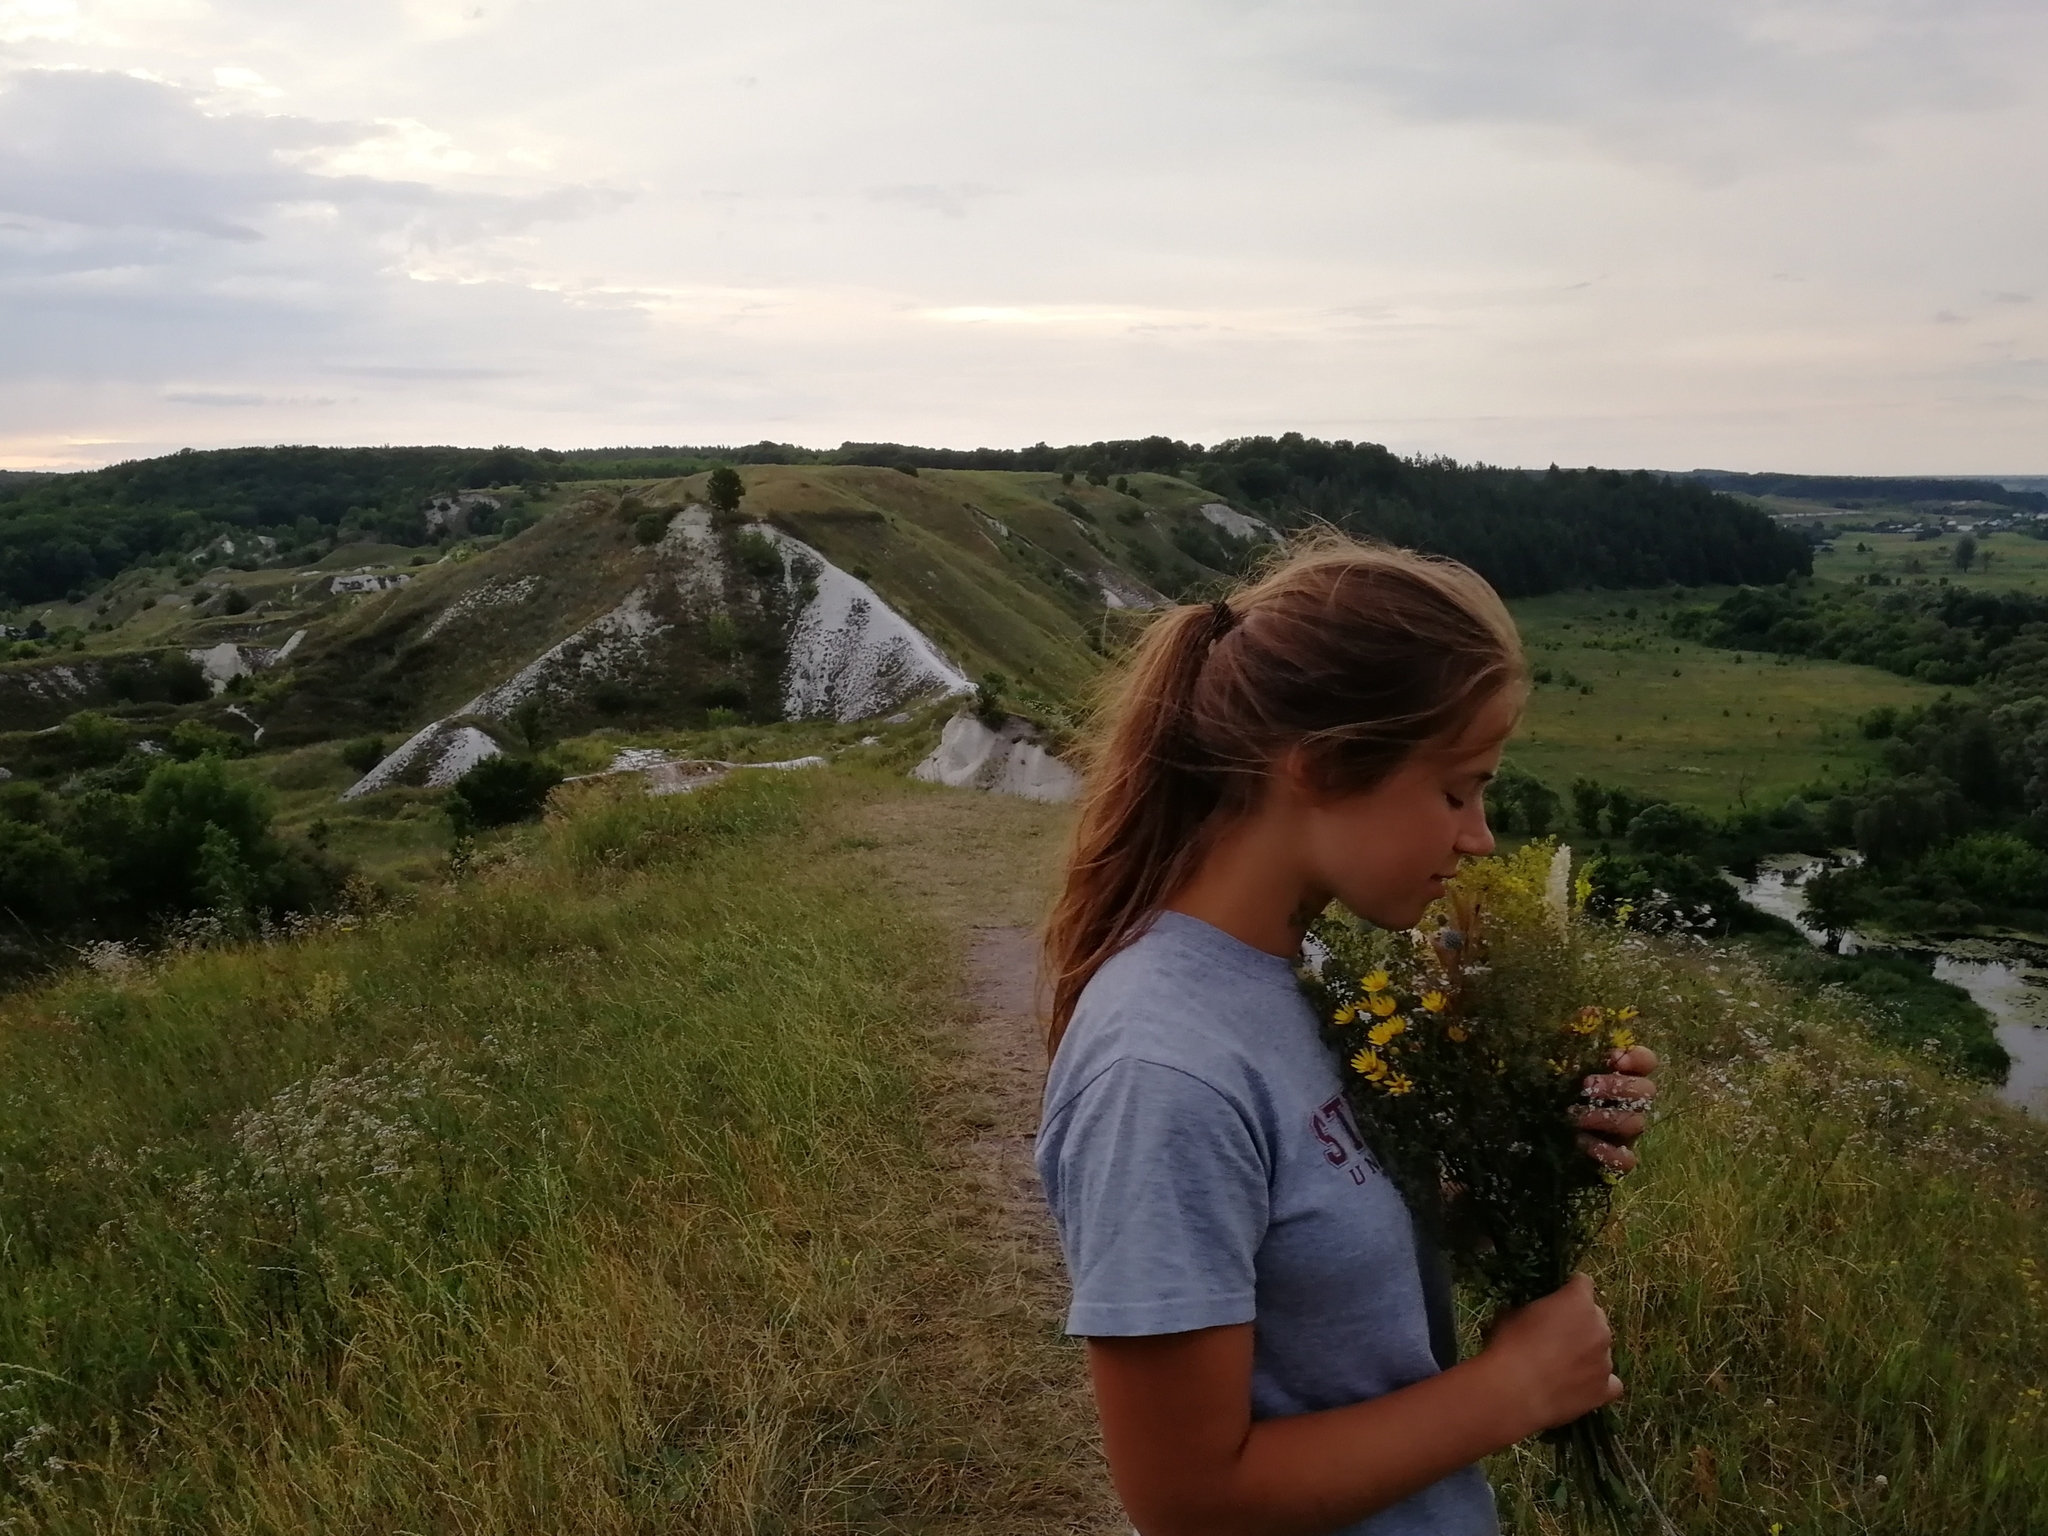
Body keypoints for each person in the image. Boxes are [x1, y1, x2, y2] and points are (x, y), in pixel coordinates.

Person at [1034, 535, 1659, 1536]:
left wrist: (1535, 1166)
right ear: (1319, 768)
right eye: (1456, 788)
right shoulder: (1164, 1069)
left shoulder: (1311, 981)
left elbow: (1324, 1274)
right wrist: (1513, 1390)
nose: (1478, 836)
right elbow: (1189, 1502)